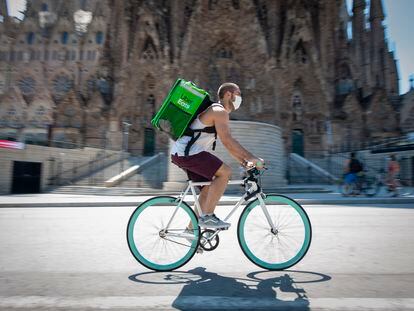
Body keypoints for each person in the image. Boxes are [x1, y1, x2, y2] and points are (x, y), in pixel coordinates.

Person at [170, 82, 264, 229]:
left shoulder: (218, 112)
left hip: (185, 154)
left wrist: (245, 162)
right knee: (225, 172)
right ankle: (208, 217)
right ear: (228, 94)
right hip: (187, 154)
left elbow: (230, 146)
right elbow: (227, 141)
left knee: (208, 188)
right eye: (238, 94)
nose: (240, 98)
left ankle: (191, 230)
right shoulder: (218, 111)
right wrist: (252, 157)